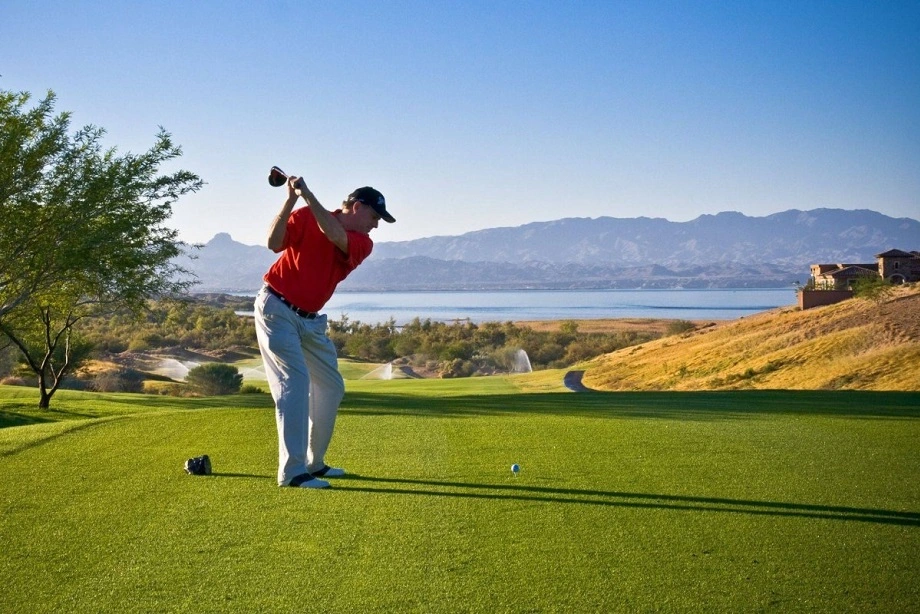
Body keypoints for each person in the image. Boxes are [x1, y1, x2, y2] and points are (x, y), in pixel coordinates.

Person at [254, 174, 395, 488]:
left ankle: (313, 463)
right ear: (357, 207)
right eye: (374, 217)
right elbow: (273, 243)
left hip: (310, 321)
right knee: (295, 382)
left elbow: (333, 234)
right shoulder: (305, 214)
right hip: (276, 308)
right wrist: (291, 198)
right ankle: (292, 473)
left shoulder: (362, 243)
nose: (376, 225)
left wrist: (308, 195)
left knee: (331, 385)